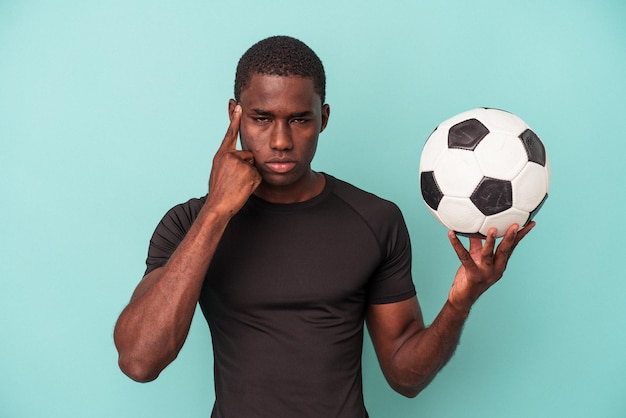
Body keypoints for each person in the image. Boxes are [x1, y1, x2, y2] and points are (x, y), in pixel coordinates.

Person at [113, 35, 534, 417]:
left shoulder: (374, 219)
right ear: (234, 115)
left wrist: (461, 302)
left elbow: (405, 378)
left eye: (299, 119)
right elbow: (139, 361)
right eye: (261, 118)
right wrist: (215, 214)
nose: (280, 140)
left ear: (324, 117)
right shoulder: (188, 223)